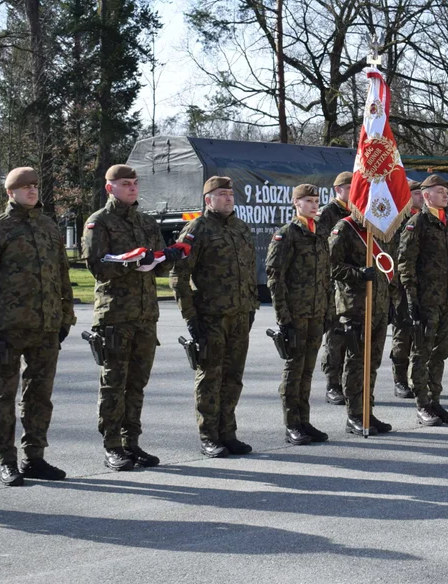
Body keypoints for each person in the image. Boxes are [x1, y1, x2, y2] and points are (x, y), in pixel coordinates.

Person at [0, 167, 75, 486]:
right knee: (4, 396)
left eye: (35, 185)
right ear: (9, 193)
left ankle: (35, 458)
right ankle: (7, 460)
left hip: (46, 327)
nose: (32, 190)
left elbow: (63, 276)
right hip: (8, 329)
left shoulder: (48, 227)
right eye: (24, 186)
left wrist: (65, 318)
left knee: (39, 396)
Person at [84, 165, 184, 470]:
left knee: (137, 384)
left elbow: (157, 263)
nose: (132, 188)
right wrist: (129, 263)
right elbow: (96, 266)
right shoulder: (99, 222)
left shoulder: (146, 221)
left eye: (135, 184)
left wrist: (166, 257)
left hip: (145, 315)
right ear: (109, 188)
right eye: (125, 184)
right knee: (114, 382)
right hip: (115, 313)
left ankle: (132, 443)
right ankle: (112, 445)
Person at [171, 176, 259, 457]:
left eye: (231, 194)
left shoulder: (241, 228)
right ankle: (209, 435)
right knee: (210, 377)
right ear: (208, 199)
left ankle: (228, 433)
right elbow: (179, 275)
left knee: (233, 377)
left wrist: (251, 306)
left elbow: (249, 270)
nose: (228, 198)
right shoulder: (197, 229)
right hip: (211, 316)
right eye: (221, 194)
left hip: (240, 315)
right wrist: (190, 316)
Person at [266, 184, 332, 445]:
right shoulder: (287, 235)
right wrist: (283, 318)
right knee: (293, 370)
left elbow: (325, 277)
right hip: (295, 314)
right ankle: (291, 424)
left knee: (307, 370)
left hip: (316, 313)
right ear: (296, 203)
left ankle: (304, 420)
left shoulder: (319, 233)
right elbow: (275, 278)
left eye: (316, 200)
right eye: (308, 201)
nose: (314, 205)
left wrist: (327, 310)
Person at [399, 174, 448, 427]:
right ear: (426, 195)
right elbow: (405, 264)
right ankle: (422, 404)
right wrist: (412, 299)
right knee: (421, 353)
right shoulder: (418, 223)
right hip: (426, 300)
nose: (446, 194)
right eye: (439, 191)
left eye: (446, 191)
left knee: (440, 354)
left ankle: (435, 401)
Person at [329, 203, 393, 435]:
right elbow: (332, 266)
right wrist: (357, 273)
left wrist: (390, 302)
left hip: (379, 306)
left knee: (372, 363)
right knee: (357, 362)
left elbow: (387, 267)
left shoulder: (380, 231)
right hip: (356, 307)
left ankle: (367, 410)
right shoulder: (344, 229)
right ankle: (354, 415)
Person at [317, 172, 353, 405]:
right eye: (349, 187)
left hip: (352, 286)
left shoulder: (358, 213)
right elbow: (323, 251)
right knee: (335, 337)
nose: (353, 191)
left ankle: (350, 383)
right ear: (337, 189)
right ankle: (333, 383)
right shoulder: (328, 213)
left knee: (352, 337)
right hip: (333, 285)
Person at [389, 180, 424, 398]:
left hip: (425, 286)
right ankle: (400, 379)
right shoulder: (397, 222)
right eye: (416, 193)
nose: (421, 196)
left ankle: (419, 377)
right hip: (402, 286)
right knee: (403, 334)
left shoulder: (426, 219)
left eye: (422, 193)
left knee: (422, 334)